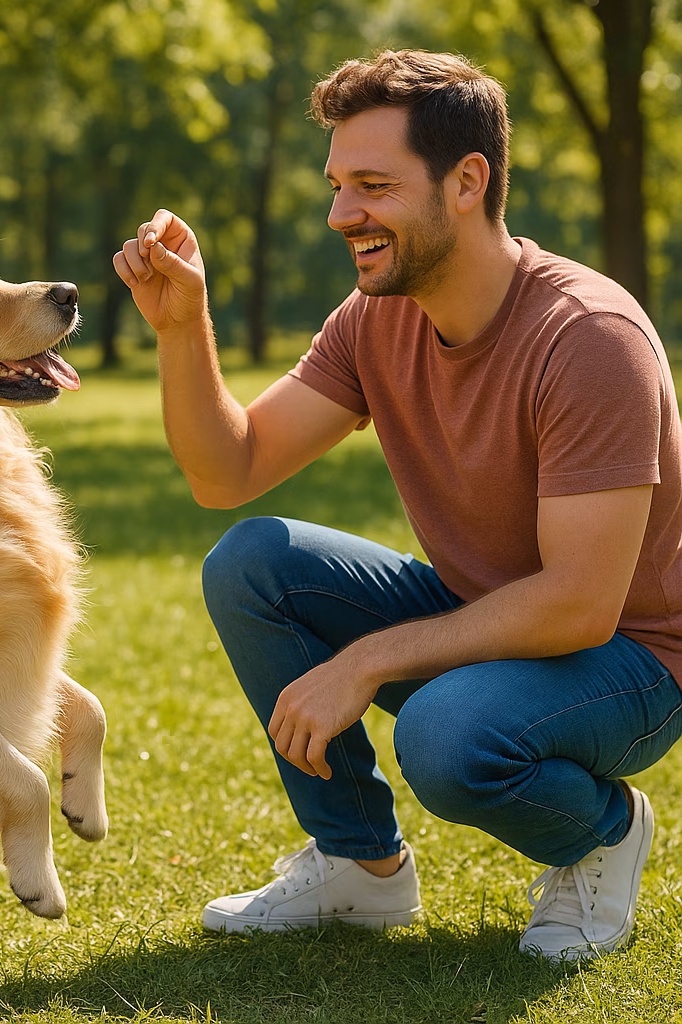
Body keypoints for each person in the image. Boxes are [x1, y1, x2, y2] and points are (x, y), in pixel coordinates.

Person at [112, 48, 682, 962]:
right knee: (252, 562)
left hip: (629, 660)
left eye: (373, 185)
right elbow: (229, 471)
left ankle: (604, 831)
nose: (344, 215)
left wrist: (369, 661)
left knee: (445, 737)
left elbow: (582, 603)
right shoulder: (378, 315)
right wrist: (184, 328)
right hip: (484, 617)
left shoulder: (588, 339)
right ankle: (359, 867)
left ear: (467, 181)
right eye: (338, 185)